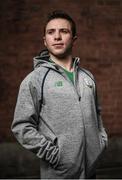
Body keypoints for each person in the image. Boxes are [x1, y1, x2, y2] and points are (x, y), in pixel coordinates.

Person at [11, 10, 108, 179]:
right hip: (59, 173)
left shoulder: (88, 77)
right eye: (51, 32)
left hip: (91, 171)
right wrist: (55, 156)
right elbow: (21, 126)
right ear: (45, 41)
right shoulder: (35, 79)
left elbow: (97, 114)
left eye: (64, 31)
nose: (57, 37)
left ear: (73, 39)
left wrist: (100, 144)